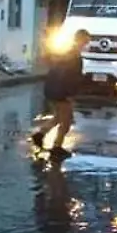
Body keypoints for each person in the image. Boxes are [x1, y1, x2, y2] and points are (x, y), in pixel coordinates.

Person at [30, 29, 91, 158]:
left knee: (59, 117)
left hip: (53, 89)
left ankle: (40, 134)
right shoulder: (74, 56)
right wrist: (69, 93)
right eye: (86, 41)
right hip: (61, 91)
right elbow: (68, 77)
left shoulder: (66, 53)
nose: (86, 44)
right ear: (81, 40)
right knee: (66, 120)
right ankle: (56, 147)